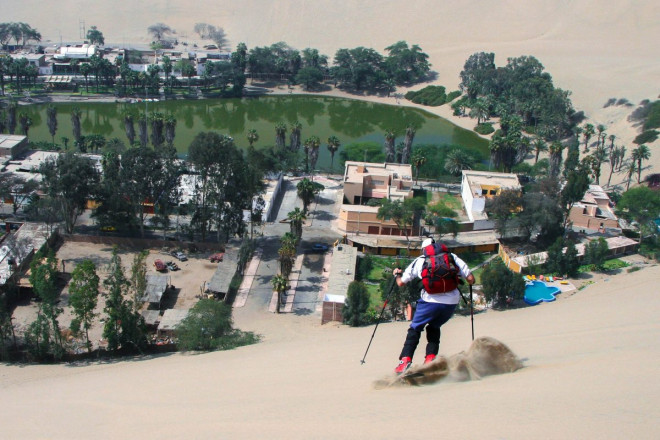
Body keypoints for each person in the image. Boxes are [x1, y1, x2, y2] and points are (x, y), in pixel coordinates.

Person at [392, 237, 475, 374]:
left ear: (424, 249)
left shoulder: (420, 260)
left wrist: (397, 275)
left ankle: (405, 361)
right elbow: (471, 279)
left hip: (430, 302)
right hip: (451, 303)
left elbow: (401, 283)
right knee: (434, 326)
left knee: (415, 328)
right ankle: (430, 359)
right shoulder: (451, 257)